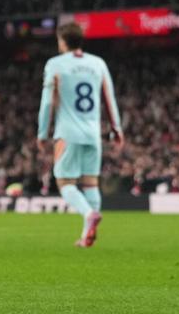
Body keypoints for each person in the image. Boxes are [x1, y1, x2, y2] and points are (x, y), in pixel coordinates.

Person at [36, 22, 123, 248]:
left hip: (68, 134)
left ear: (62, 41)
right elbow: (109, 97)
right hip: (93, 134)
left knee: (65, 182)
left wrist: (43, 132)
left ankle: (88, 214)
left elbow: (47, 103)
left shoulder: (55, 64)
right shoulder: (98, 63)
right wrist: (117, 129)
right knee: (91, 183)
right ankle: (86, 237)